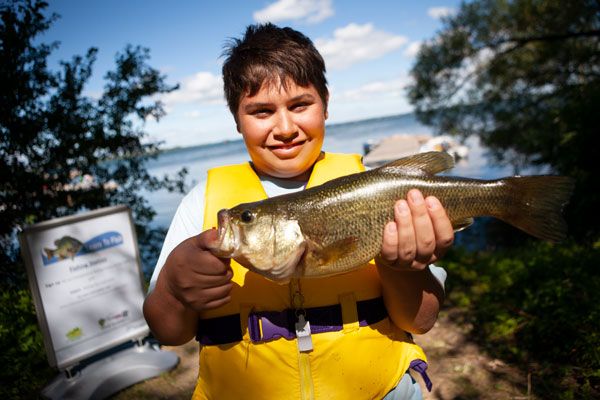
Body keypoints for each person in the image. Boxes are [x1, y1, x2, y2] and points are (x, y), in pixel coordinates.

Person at [143, 23, 453, 400]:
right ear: (236, 120)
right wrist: (174, 288)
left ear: (325, 102)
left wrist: (402, 265)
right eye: (261, 111)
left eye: (300, 105)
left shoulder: (380, 191)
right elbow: (168, 332)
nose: (285, 127)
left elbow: (420, 321)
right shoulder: (201, 203)